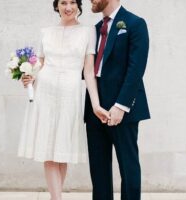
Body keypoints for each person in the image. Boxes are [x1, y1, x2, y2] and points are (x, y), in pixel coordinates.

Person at [18, 0, 109, 200]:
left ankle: (54, 197)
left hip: (71, 94)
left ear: (78, 6)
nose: (68, 7)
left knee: (61, 151)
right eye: (63, 2)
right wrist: (30, 76)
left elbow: (89, 71)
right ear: (56, 6)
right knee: (48, 151)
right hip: (46, 93)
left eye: (72, 2)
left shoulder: (88, 32)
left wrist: (95, 104)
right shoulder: (46, 32)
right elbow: (40, 62)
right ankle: (56, 198)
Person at [84, 0, 150, 200]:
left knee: (128, 166)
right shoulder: (95, 29)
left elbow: (136, 69)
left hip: (123, 109)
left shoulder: (135, 23)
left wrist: (121, 106)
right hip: (95, 108)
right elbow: (87, 69)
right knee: (99, 169)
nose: (91, 0)